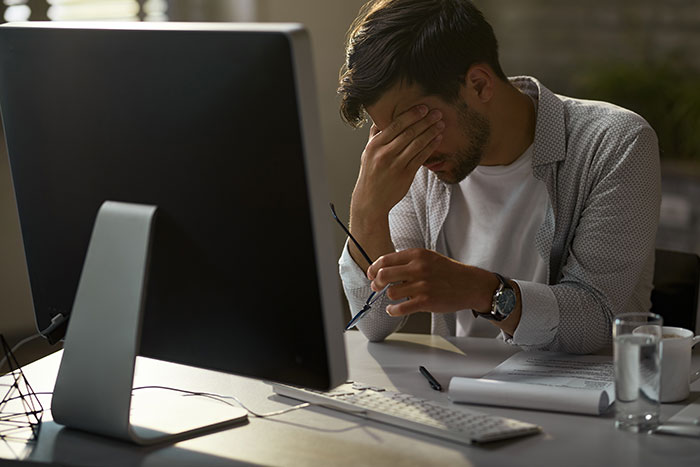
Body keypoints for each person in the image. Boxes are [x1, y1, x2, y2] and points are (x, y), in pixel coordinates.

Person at [336, 0, 661, 353]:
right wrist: (367, 211)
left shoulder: (615, 143)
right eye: (390, 132)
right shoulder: (420, 161)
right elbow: (374, 323)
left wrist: (482, 291)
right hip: (458, 392)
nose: (408, 147)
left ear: (478, 85)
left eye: (415, 123)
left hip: (580, 401)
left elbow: (597, 320)